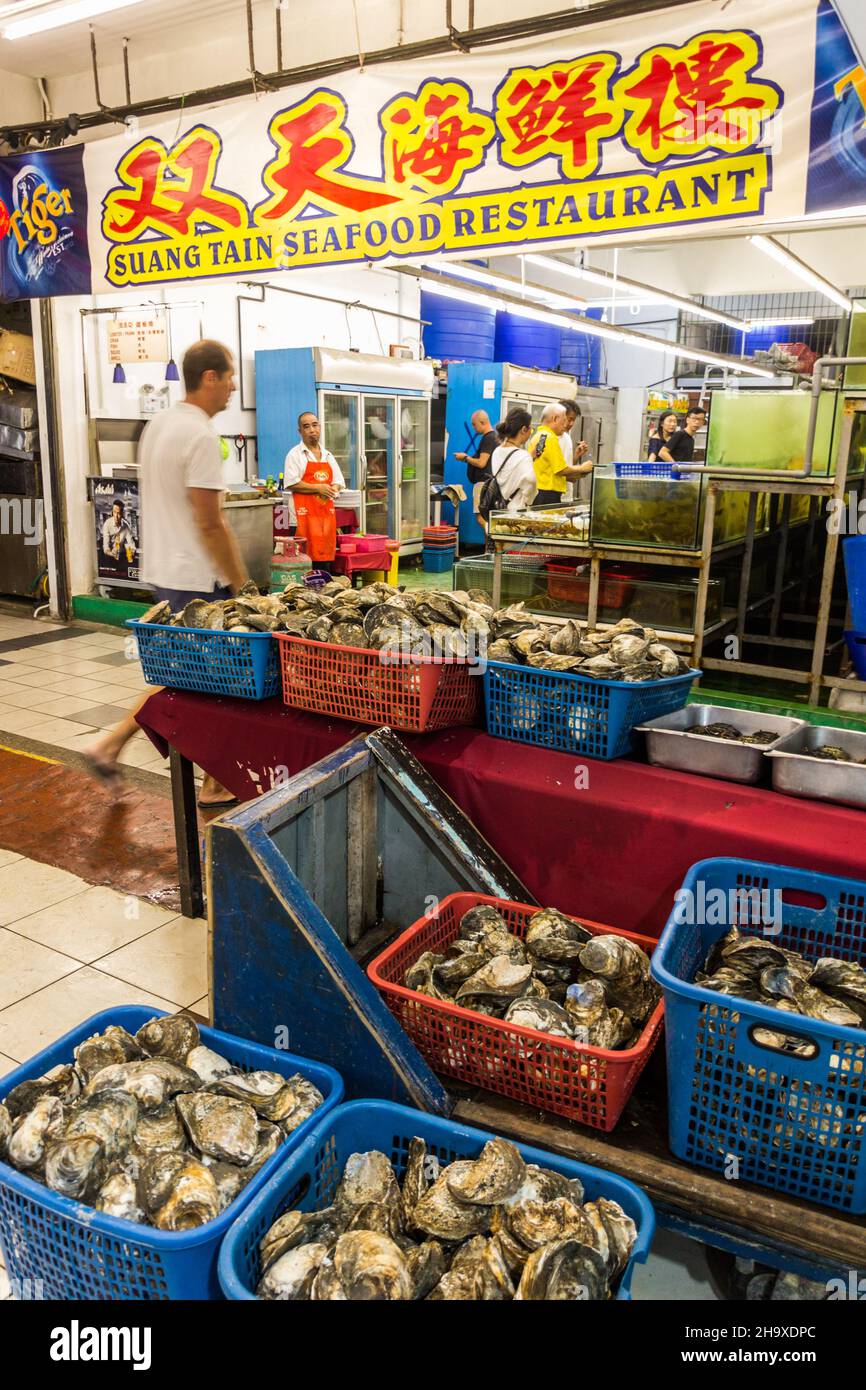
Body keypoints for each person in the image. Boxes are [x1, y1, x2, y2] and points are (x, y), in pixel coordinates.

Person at [87, 339, 247, 807]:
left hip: (164, 569)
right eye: (230, 376)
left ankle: (110, 744)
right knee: (218, 682)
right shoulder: (199, 435)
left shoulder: (159, 424)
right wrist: (243, 586)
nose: (234, 387)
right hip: (196, 577)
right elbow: (210, 521)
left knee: (185, 677)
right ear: (210, 377)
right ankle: (214, 781)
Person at [283, 412, 345, 571]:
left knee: (323, 565)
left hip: (325, 519)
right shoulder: (295, 455)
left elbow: (338, 481)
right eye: (306, 426)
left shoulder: (328, 456)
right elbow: (291, 483)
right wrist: (319, 488)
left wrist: (333, 489)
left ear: (320, 427)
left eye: (315, 425)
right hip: (301, 519)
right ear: (300, 431)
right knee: (302, 564)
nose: (312, 429)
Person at [528, 403, 594, 505]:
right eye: (564, 421)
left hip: (539, 492)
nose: (566, 425)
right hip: (548, 495)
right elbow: (560, 469)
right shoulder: (550, 438)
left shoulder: (541, 436)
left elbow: (541, 462)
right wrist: (582, 468)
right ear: (555, 419)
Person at [454, 408, 498, 533]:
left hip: (483, 484)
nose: (473, 427)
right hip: (491, 484)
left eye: (474, 424)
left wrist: (465, 458)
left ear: (482, 422)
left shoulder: (488, 438)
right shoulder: (494, 437)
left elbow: (481, 462)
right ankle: (489, 547)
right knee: (487, 518)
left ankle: (492, 539)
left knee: (480, 518)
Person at [485, 407, 536, 516]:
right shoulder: (523, 456)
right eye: (531, 429)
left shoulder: (497, 451)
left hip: (497, 509)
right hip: (516, 513)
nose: (531, 433)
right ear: (523, 429)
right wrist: (529, 500)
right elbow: (531, 482)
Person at [101, 499, 135, 573]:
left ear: (122, 513)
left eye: (118, 513)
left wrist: (131, 551)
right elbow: (105, 547)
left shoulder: (126, 526)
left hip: (122, 557)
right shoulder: (107, 524)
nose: (116, 516)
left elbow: (131, 544)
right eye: (114, 512)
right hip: (109, 558)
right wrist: (111, 553)